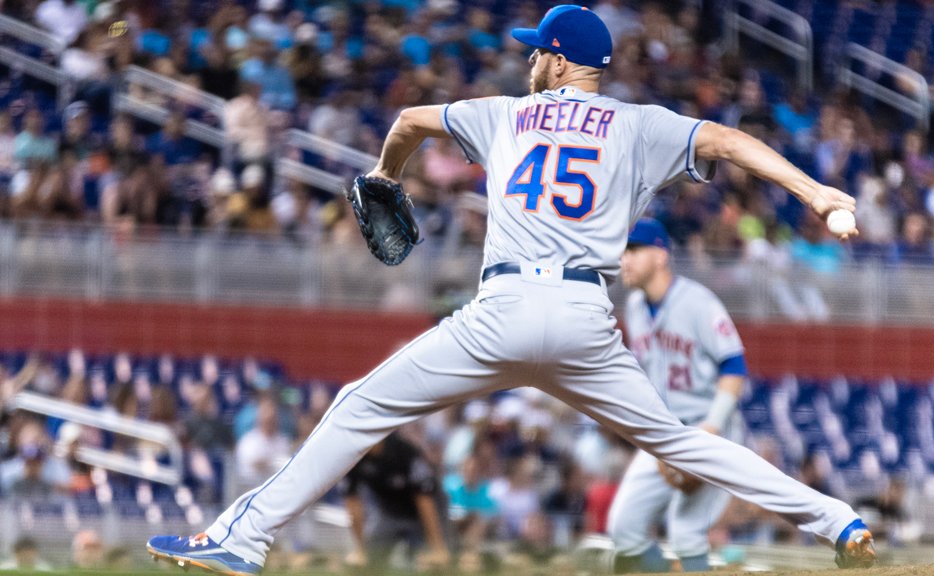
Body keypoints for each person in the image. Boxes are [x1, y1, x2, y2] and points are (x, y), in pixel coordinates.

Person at [146, 6, 874, 574]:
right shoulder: (639, 125)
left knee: (361, 405)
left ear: (560, 61)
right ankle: (836, 519)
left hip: (503, 312)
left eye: (538, 50)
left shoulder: (504, 112)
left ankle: (243, 540)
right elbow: (722, 139)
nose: (529, 59)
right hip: (587, 318)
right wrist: (815, 193)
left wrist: (384, 177)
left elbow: (406, 121)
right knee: (680, 443)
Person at [607, 218, 749, 573]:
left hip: (709, 428)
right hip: (665, 432)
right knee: (623, 529)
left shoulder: (698, 302)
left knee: (685, 531)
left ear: (660, 255)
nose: (624, 259)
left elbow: (734, 367)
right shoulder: (636, 308)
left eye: (633, 250)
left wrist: (712, 427)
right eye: (622, 252)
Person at [340, 433, 449, 572]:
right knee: (369, 561)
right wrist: (361, 549)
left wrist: (437, 547)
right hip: (389, 511)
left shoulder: (404, 451)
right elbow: (352, 502)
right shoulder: (354, 455)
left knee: (433, 562)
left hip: (427, 511)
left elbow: (424, 499)